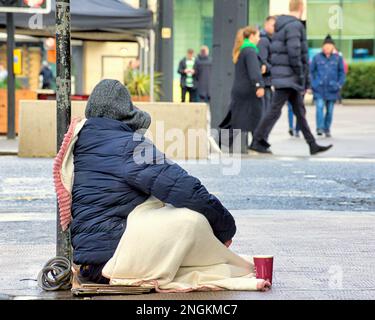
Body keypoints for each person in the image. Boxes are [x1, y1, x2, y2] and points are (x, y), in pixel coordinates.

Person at [53, 79, 271, 291]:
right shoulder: (130, 146)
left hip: (92, 263)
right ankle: (221, 260)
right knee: (191, 220)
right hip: (114, 259)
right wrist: (224, 227)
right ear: (125, 114)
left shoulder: (81, 142)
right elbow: (184, 188)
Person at [250, 0, 332, 155]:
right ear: (301, 7)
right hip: (290, 77)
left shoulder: (280, 26)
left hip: (285, 77)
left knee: (298, 111)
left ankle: (312, 144)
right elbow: (295, 52)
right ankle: (257, 140)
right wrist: (301, 76)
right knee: (275, 110)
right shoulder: (295, 25)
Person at [219, 26, 265, 153]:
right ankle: (258, 142)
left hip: (240, 90)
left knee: (237, 118)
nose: (259, 39)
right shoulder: (250, 50)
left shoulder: (243, 50)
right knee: (256, 116)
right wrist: (259, 85)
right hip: (248, 91)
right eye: (257, 36)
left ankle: (222, 144)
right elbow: (253, 71)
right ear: (251, 36)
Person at [310, 35, 346, 137]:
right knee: (319, 107)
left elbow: (342, 73)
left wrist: (339, 84)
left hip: (332, 88)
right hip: (319, 88)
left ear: (333, 47)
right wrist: (313, 83)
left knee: (330, 110)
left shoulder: (338, 59)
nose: (327, 48)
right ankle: (320, 128)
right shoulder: (316, 57)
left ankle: (327, 128)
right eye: (325, 46)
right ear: (322, 47)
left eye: (329, 46)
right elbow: (311, 72)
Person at [258, 16, 276, 116]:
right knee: (264, 114)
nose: (274, 27)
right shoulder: (264, 40)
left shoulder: (269, 40)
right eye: (272, 25)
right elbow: (262, 63)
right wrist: (274, 68)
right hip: (264, 83)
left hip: (266, 83)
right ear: (266, 25)